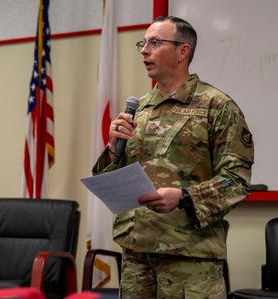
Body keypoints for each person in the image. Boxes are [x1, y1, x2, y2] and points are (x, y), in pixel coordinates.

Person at [93, 16, 254, 298]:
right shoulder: (138, 109)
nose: (144, 50)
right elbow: (117, 175)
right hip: (136, 255)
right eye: (142, 43)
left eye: (155, 42)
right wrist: (111, 148)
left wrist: (184, 196)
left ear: (183, 51)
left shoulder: (217, 106)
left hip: (189, 261)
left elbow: (235, 182)